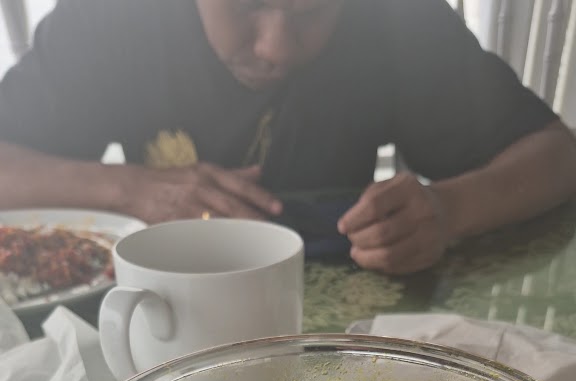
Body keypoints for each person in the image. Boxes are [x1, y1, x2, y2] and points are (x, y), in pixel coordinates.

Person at [0, 0, 574, 274]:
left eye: (312, 13)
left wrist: (448, 210)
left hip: (349, 332)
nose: (276, 48)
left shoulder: (396, 17)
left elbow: (557, 153)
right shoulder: (111, 16)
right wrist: (129, 188)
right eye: (247, 6)